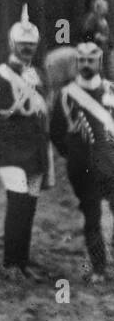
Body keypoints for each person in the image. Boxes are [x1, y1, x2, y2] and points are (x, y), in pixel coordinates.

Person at [0, 5, 51, 282]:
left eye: (31, 46)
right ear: (12, 45)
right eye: (22, 45)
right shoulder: (0, 76)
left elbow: (42, 113)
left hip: (35, 150)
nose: (27, 50)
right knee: (18, 201)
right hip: (9, 149)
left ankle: (22, 261)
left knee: (29, 206)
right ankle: (11, 264)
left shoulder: (37, 76)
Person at [49, 41, 114, 283]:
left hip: (111, 163)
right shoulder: (66, 95)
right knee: (92, 217)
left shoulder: (111, 90)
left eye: (91, 60)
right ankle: (98, 268)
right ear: (76, 63)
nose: (86, 65)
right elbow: (56, 132)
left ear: (99, 62)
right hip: (83, 167)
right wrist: (73, 154)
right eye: (82, 60)